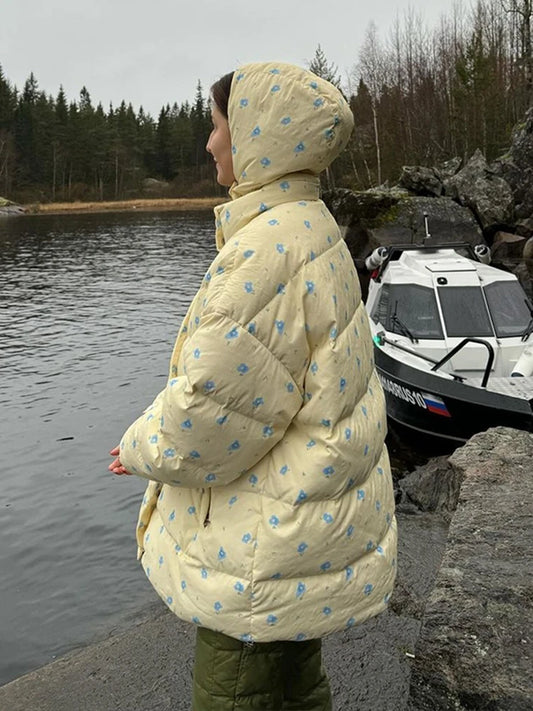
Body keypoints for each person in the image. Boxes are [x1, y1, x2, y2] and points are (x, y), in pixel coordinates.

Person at [109, 61, 397, 711]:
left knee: (233, 694)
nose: (210, 142)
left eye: (219, 126)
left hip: (261, 548)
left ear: (258, 136)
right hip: (302, 529)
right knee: (296, 687)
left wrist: (138, 446)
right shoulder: (310, 225)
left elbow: (212, 415)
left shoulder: (265, 253)